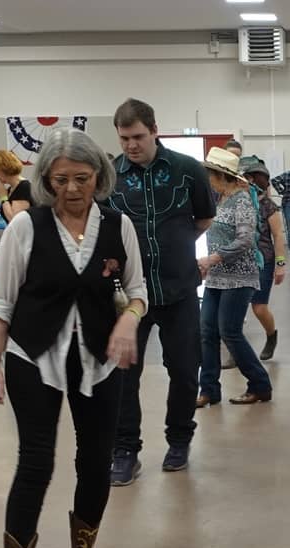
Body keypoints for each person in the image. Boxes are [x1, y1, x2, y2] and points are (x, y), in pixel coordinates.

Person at [0, 128, 147, 548]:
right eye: (61, 179)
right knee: (36, 464)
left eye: (83, 177)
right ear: (47, 180)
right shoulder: (25, 228)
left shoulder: (120, 226)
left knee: (96, 463)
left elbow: (136, 291)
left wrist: (127, 321)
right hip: (33, 357)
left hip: (98, 360)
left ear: (99, 176)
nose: (73, 188)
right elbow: (0, 301)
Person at [106, 98, 215, 481]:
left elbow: (204, 218)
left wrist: (176, 244)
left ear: (154, 130)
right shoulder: (110, 176)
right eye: (124, 139)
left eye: (137, 136)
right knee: (123, 374)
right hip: (129, 295)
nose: (131, 145)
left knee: (185, 370)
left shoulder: (187, 170)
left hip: (180, 288)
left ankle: (179, 439)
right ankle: (124, 450)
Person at [195, 148, 272, 407]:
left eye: (209, 174)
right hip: (216, 278)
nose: (206, 179)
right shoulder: (220, 199)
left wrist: (213, 258)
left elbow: (245, 240)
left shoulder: (242, 200)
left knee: (229, 331)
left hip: (240, 277)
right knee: (207, 331)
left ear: (220, 175)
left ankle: (260, 384)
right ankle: (208, 390)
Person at [239, 156, 286, 361]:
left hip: (263, 261)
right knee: (236, 308)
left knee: (258, 307)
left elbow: (278, 235)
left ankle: (271, 335)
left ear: (253, 180)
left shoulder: (268, 206)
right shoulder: (237, 203)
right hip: (239, 261)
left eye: (245, 178)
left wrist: (280, 265)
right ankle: (236, 348)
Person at [0, 149, 34, 223]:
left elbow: (15, 220)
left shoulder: (24, 187)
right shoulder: (9, 190)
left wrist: (3, 198)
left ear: (4, 167)